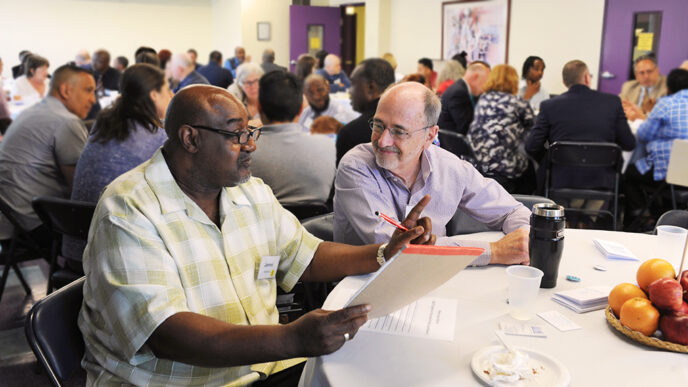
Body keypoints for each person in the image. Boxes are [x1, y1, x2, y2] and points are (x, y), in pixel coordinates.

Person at [78, 84, 430, 386]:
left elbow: (305, 256)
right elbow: (166, 334)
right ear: (190, 138)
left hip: (259, 368)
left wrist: (385, 252)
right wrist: (290, 339)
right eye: (237, 135)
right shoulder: (128, 209)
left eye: (251, 132)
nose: (251, 146)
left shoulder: (248, 192)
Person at [334, 82, 531, 266]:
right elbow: (400, 252)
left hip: (432, 277)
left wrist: (524, 239)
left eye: (399, 131)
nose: (383, 141)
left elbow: (513, 211)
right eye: (378, 126)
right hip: (363, 283)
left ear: (429, 136)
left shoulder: (449, 167)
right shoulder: (356, 167)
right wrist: (494, 251)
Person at [64, 63, 172, 264]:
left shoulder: (102, 125)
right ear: (154, 95)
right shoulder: (159, 139)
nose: (172, 96)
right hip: (115, 256)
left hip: (74, 249)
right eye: (168, 89)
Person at [0, 65, 96, 243]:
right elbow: (82, 188)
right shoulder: (66, 121)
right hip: (33, 224)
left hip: (9, 218)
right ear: (66, 90)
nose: (93, 99)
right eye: (88, 91)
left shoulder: (30, 112)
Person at [525, 60, 635, 192]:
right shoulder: (613, 103)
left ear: (564, 82)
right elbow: (629, 143)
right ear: (587, 78)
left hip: (559, 179)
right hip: (602, 179)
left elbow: (531, 146)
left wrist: (552, 155)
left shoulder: (549, 106)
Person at [250, 71, 336, 208]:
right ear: (301, 109)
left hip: (264, 228)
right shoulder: (329, 146)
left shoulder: (246, 152)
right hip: (316, 229)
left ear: (259, 107)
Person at [623, 68, 688, 226]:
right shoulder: (631, 87)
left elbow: (644, 135)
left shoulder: (665, 104)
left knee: (627, 175)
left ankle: (645, 217)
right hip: (683, 176)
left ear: (668, 88)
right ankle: (663, 215)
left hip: (668, 173)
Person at [468, 64, 535, 193]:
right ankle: (529, 203)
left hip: (481, 164)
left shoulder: (483, 99)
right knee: (532, 167)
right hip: (505, 167)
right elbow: (534, 130)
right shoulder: (519, 103)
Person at [336, 58, 395, 165]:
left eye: (353, 84)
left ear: (370, 88)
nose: (350, 91)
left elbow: (341, 180)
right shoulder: (410, 124)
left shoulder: (351, 133)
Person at [437, 61, 491, 135]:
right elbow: (465, 126)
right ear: (475, 77)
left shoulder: (462, 89)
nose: (485, 87)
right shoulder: (458, 93)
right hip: (454, 143)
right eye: (485, 82)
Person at [620, 54, 668, 119]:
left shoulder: (667, 87)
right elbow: (619, 107)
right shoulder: (628, 86)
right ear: (636, 75)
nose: (646, 76)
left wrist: (642, 117)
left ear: (657, 71)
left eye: (649, 71)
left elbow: (664, 116)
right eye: (642, 73)